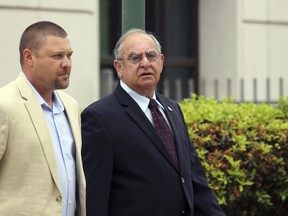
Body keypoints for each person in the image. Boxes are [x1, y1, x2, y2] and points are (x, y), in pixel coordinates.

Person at [81, 28, 225, 216]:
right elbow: (95, 198)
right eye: (135, 58)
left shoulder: (172, 109)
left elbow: (194, 181)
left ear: (161, 61)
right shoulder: (99, 117)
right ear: (118, 67)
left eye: (151, 55)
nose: (145, 63)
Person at [0, 21, 86, 216]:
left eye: (69, 55)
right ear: (29, 57)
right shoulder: (4, 105)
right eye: (57, 56)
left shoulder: (71, 106)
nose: (67, 64)